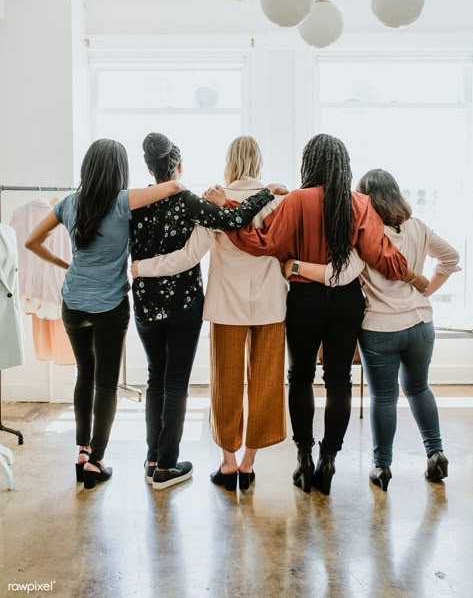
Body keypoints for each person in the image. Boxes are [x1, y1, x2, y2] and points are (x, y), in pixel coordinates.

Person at [226, 133, 427, 494]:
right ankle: (329, 459)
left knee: (300, 377)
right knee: (339, 382)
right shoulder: (359, 203)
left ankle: (303, 457)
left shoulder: (295, 201)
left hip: (304, 300)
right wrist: (408, 273)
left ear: (309, 163)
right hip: (346, 304)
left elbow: (267, 243)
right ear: (343, 165)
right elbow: (378, 253)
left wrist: (230, 218)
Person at [285, 169, 460, 491]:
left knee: (384, 398)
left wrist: (294, 266)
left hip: (381, 328)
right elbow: (450, 258)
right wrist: (426, 292)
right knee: (419, 388)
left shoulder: (367, 234)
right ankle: (436, 453)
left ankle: (382, 467)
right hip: (421, 323)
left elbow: (339, 276)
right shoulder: (418, 227)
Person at [131, 135, 288, 491]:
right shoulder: (277, 198)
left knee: (226, 382)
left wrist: (142, 267)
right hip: (270, 304)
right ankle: (249, 463)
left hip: (227, 305)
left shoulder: (212, 200)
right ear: (259, 161)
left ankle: (228, 462)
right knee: (265, 384)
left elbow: (189, 256)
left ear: (229, 162)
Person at [25, 139, 184, 489]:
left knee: (85, 374)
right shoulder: (122, 201)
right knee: (106, 384)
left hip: (73, 302)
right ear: (119, 170)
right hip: (110, 307)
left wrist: (64, 264)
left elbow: (31, 242)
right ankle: (97, 460)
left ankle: (82, 451)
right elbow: (172, 186)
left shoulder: (69, 202)